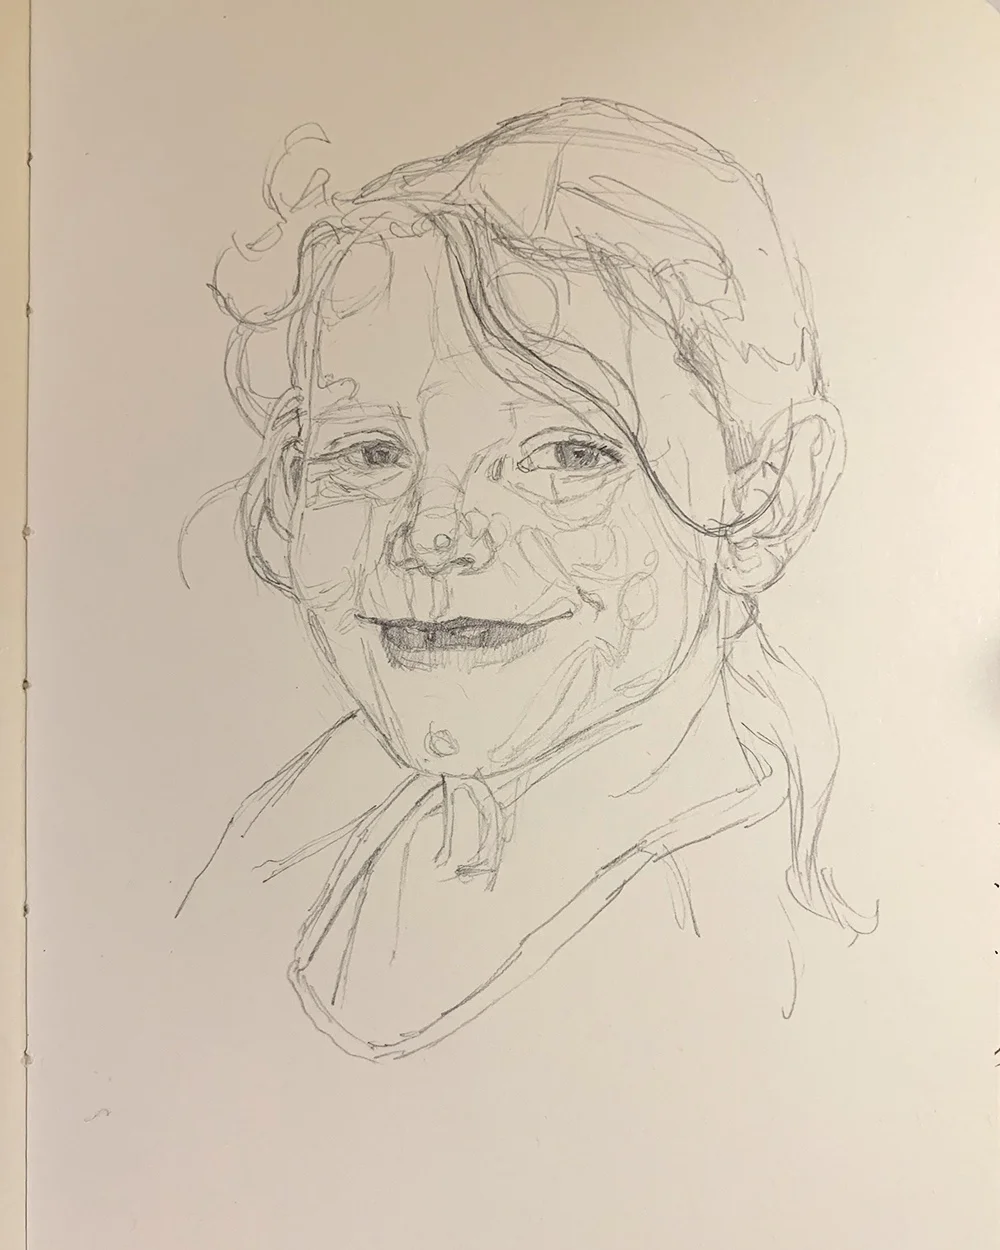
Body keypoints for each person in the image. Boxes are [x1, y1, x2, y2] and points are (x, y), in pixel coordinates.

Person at [180, 99, 872, 1061]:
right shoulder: (300, 828)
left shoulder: (750, 963)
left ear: (766, 496)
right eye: (369, 453)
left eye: (567, 453)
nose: (433, 535)